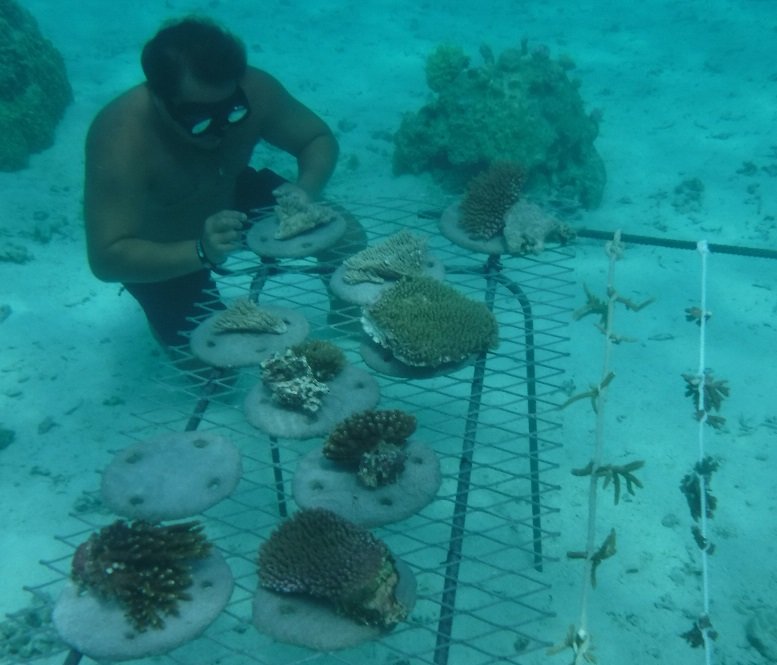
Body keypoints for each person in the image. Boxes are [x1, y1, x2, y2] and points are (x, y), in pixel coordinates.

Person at [84, 16, 357, 348]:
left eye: (232, 111)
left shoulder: (257, 90)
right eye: (199, 120)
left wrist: (306, 188)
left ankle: (351, 326)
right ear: (158, 97)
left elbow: (315, 138)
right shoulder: (121, 137)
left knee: (347, 236)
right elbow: (107, 258)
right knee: (215, 364)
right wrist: (201, 251)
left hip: (231, 197)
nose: (220, 130)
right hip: (162, 248)